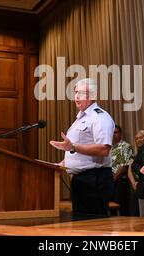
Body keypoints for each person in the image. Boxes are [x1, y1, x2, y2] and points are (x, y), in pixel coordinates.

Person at [50, 78, 115, 216]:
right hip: (80, 180)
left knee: (93, 227)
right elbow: (78, 150)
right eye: (75, 93)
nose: (77, 97)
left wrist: (72, 147)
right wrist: (61, 164)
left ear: (92, 95)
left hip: (95, 180)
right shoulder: (79, 119)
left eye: (81, 93)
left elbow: (104, 149)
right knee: (80, 226)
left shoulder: (99, 117)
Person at [110, 124, 133, 216]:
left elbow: (124, 166)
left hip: (120, 182)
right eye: (111, 133)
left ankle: (125, 229)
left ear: (120, 134)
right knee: (111, 209)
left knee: (122, 209)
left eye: (115, 132)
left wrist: (112, 180)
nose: (113, 135)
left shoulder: (126, 146)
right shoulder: (109, 147)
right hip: (110, 182)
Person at [128, 130, 144, 216]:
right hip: (135, 184)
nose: (138, 140)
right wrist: (133, 183)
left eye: (141, 138)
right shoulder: (135, 154)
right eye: (136, 139)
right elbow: (129, 169)